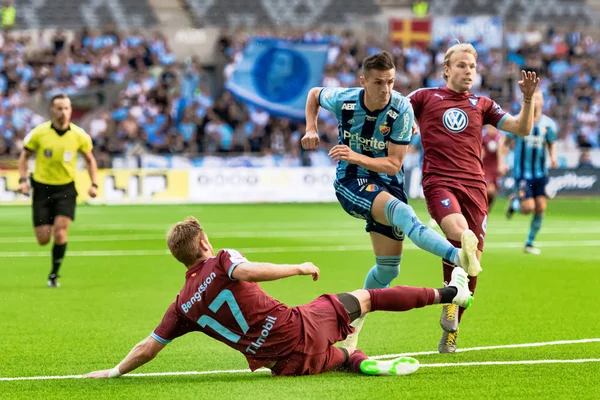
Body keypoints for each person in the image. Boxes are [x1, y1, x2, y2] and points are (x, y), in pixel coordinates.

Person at [84, 216, 473, 379]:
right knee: (367, 297)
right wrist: (299, 267)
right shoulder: (222, 261)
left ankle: (361, 362)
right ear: (203, 241)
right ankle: (451, 292)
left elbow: (149, 347)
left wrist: (114, 371)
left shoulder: (182, 305)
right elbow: (247, 271)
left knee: (338, 357)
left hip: (280, 363)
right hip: (299, 326)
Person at [300, 51, 480, 350]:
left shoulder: (401, 108)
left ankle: (353, 326)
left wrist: (353, 152)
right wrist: (310, 128)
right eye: (379, 82)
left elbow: (394, 165)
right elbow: (314, 94)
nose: (386, 89)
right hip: (352, 182)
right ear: (363, 82)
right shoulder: (345, 100)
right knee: (405, 215)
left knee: (387, 269)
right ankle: (460, 257)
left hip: (387, 181)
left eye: (391, 82)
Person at [407, 43, 539, 353]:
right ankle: (454, 289)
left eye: (472, 67)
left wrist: (528, 97)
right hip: (439, 182)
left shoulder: (483, 104)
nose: (468, 71)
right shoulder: (425, 97)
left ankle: (452, 317)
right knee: (461, 236)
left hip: (475, 188)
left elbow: (522, 127)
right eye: (462, 65)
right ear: (447, 69)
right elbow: (395, 111)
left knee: (471, 260)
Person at [18, 93, 98, 288]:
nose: (63, 112)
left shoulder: (79, 135)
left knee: (61, 232)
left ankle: (54, 275)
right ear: (52, 110)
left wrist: (93, 183)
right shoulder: (39, 133)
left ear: (70, 110)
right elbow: (24, 156)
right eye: (59, 108)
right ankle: (51, 222)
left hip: (65, 188)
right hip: (42, 188)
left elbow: (90, 160)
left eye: (67, 108)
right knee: (43, 239)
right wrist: (22, 180)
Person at [504, 90, 558, 255]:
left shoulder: (548, 124)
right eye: (533, 98)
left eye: (538, 98)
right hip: (522, 174)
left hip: (541, 173)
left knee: (540, 207)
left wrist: (553, 157)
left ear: (542, 102)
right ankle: (515, 204)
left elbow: (551, 143)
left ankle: (529, 243)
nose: (535, 101)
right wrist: (502, 161)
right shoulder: (518, 120)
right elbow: (505, 142)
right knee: (528, 208)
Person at [482, 125, 508, 211]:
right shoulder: (483, 136)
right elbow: (480, 152)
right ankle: (483, 209)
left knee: (492, 193)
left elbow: (505, 151)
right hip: (486, 168)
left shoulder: (500, 137)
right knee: (489, 190)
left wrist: (504, 164)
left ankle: (486, 210)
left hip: (496, 168)